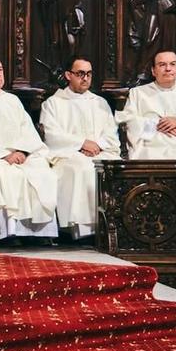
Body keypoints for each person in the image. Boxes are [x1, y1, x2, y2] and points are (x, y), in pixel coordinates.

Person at [0, 56, 61, 243]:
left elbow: (27, 130)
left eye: (0, 69)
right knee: (3, 173)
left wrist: (23, 152)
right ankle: (10, 232)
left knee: (42, 171)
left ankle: (38, 232)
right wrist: (5, 155)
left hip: (21, 155)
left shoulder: (12, 100)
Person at [38, 58, 118, 241]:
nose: (85, 78)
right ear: (68, 75)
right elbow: (51, 135)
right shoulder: (53, 103)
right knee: (81, 168)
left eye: (89, 74)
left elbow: (111, 133)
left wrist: (97, 145)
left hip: (100, 151)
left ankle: (113, 225)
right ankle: (83, 230)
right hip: (68, 155)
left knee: (114, 167)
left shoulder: (100, 103)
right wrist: (81, 143)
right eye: (80, 74)